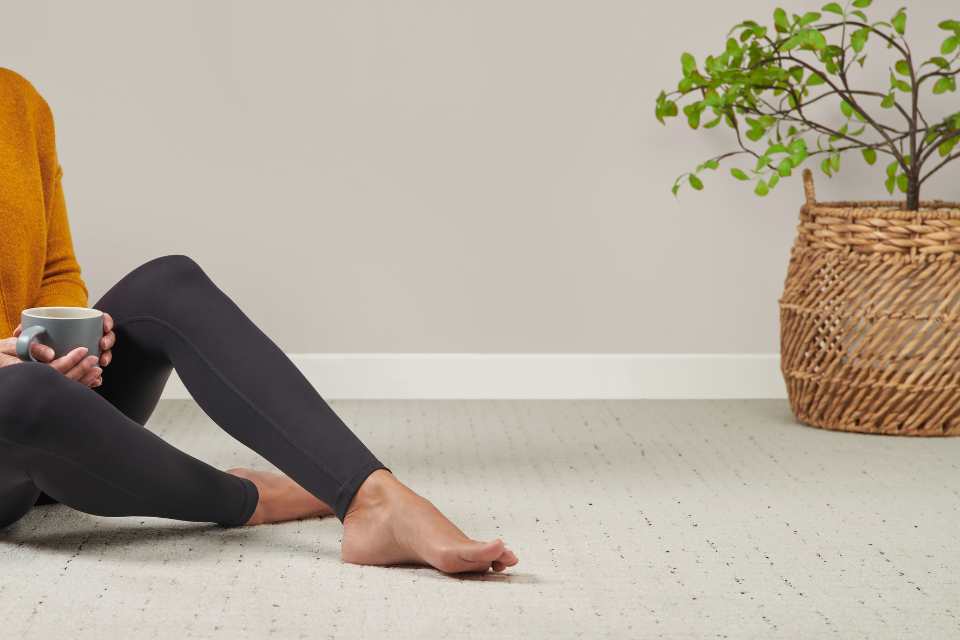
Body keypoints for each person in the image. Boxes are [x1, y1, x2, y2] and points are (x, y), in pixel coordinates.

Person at [0, 68, 518, 575]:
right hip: (18, 409)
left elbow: (57, 271)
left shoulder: (18, 100)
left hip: (43, 404)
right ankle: (251, 498)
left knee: (168, 285)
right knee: (23, 394)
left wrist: (69, 343)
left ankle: (372, 497)